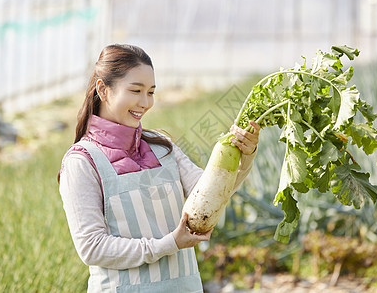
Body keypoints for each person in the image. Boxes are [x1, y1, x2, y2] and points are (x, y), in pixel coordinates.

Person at [58, 44, 260, 292]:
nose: (145, 102)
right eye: (136, 90)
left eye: (151, 92)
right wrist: (168, 244)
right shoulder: (82, 162)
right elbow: (93, 247)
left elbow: (211, 194)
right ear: (103, 89)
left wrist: (244, 155)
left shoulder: (162, 147)